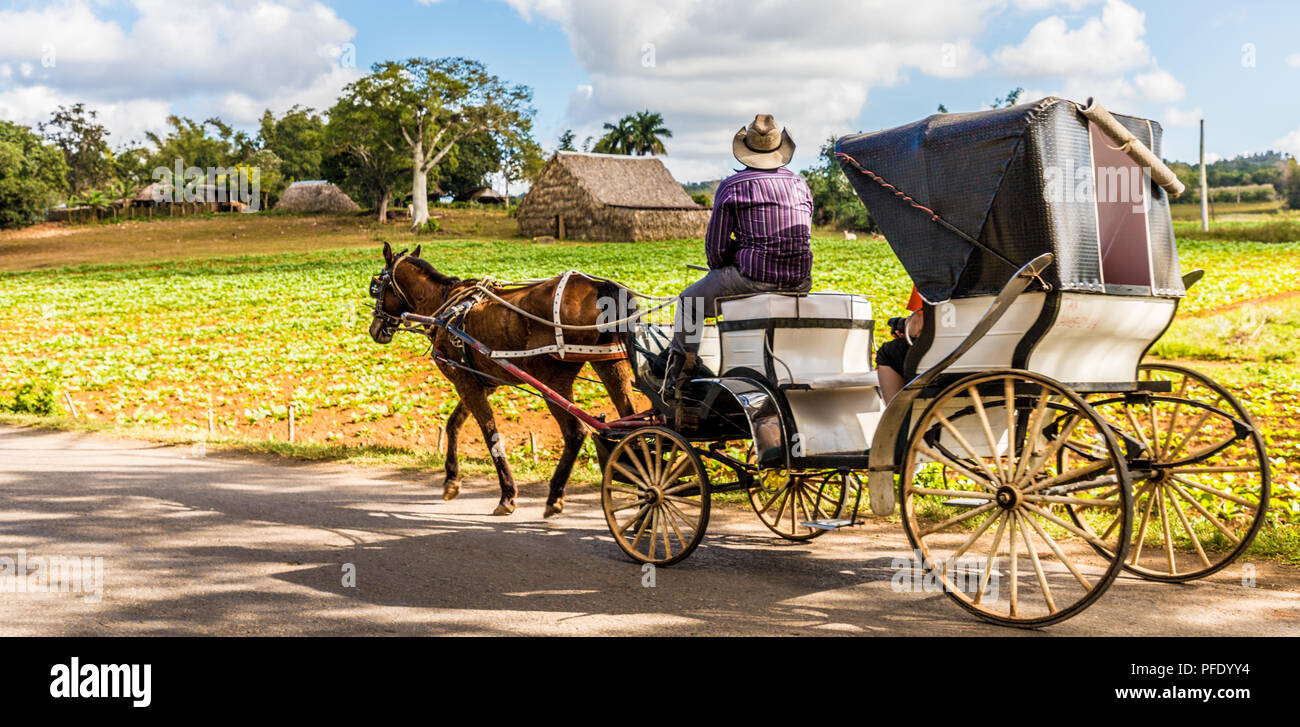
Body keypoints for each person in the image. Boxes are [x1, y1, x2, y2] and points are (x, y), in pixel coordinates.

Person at [666, 114, 814, 398]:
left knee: (689, 302)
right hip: (800, 283)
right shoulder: (800, 184)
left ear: (746, 151)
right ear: (779, 149)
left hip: (753, 280)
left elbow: (716, 249)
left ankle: (680, 376)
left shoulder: (734, 185)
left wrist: (732, 260)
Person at [877, 287, 924, 403]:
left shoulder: (930, 275)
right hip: (972, 350)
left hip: (940, 354)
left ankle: (896, 415)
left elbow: (919, 325)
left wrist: (903, 324)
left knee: (887, 353)